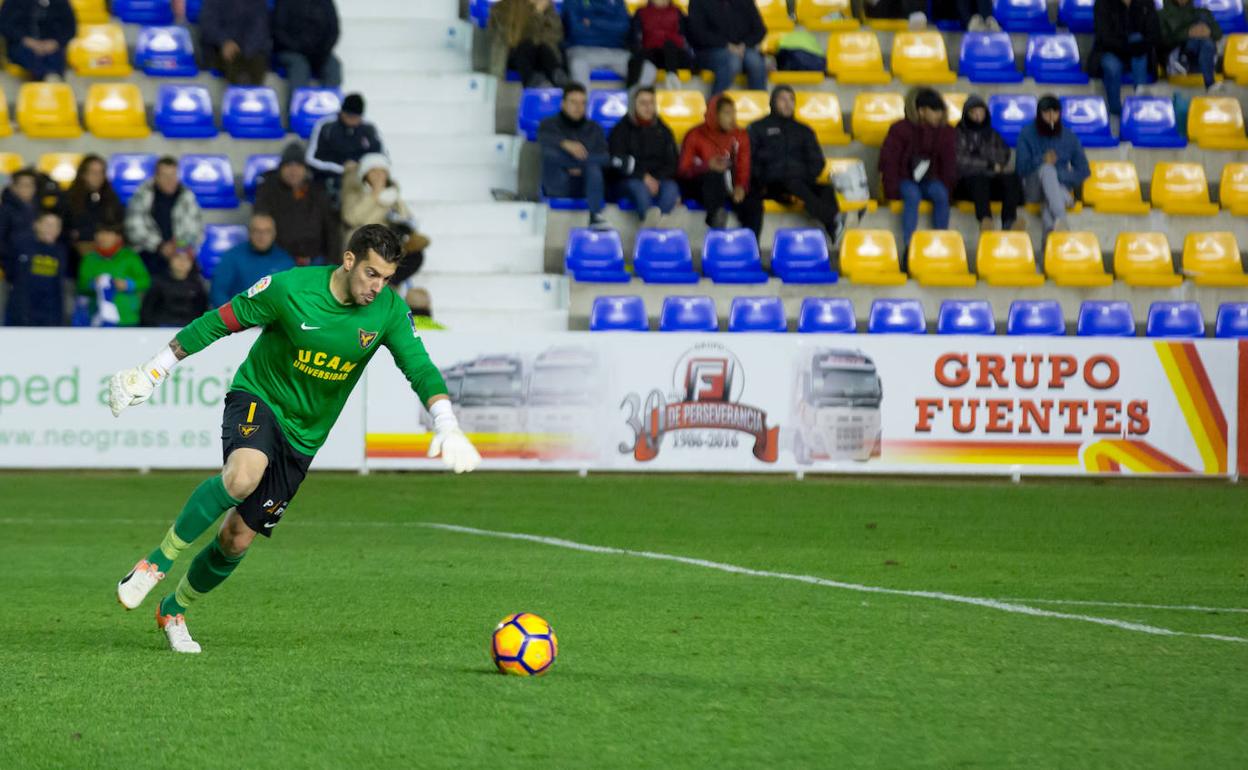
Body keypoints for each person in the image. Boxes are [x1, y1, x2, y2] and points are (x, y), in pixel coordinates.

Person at [110, 225, 481, 653]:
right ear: (349, 261)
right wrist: (154, 370)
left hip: (305, 436)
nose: (377, 287)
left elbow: (419, 366)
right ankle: (155, 564)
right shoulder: (290, 289)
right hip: (259, 397)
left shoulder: (389, 312)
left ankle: (174, 609)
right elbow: (219, 322)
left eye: (386, 278)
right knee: (243, 476)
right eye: (371, 274)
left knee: (236, 539)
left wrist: (447, 422)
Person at [740, 85, 844, 245]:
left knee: (826, 190)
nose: (788, 104)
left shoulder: (804, 130)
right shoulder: (758, 127)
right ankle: (833, 219)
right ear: (773, 102)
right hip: (769, 184)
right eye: (783, 99)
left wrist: (805, 175)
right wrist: (760, 178)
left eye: (791, 100)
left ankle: (833, 229)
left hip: (799, 182)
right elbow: (748, 159)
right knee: (791, 181)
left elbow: (818, 161)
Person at [879, 88, 956, 262]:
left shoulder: (946, 133)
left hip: (930, 180)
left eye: (940, 111)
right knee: (912, 195)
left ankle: (940, 243)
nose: (938, 115)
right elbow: (889, 161)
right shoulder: (900, 129)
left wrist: (949, 189)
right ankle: (909, 248)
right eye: (934, 111)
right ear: (921, 111)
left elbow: (948, 164)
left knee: (941, 193)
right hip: (904, 179)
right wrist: (891, 189)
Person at [1016, 94, 1090, 241]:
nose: (1051, 117)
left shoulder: (1069, 137)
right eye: (1046, 113)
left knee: (1049, 203)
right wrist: (1041, 160)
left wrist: (1058, 175)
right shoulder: (1027, 134)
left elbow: (1083, 170)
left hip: (1057, 189)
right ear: (1039, 114)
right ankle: (1062, 217)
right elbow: (1020, 168)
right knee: (1047, 170)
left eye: (1055, 113)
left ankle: (1048, 249)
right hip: (1033, 188)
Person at [539, 83, 613, 228]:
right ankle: (595, 216)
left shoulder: (594, 129)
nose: (578, 107)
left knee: (594, 168)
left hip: (587, 184)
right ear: (563, 104)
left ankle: (596, 217)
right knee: (591, 165)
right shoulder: (548, 125)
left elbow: (605, 158)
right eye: (573, 102)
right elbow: (549, 155)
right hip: (559, 184)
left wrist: (579, 164)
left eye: (582, 103)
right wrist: (564, 143)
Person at [341, 154, 429, 273]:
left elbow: (406, 218)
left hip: (388, 242)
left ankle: (388, 281)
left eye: (382, 172)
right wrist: (374, 195)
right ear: (365, 175)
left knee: (415, 256)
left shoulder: (392, 194)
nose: (378, 176)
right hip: (365, 241)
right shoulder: (355, 193)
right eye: (374, 172)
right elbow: (351, 218)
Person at [255, 142, 339, 266]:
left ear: (305, 170)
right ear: (280, 169)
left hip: (315, 259)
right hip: (280, 259)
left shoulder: (318, 191)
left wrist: (332, 261)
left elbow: (331, 229)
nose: (293, 170)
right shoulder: (267, 190)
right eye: (288, 165)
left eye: (298, 166)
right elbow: (261, 223)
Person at [608, 86, 680, 227]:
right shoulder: (621, 130)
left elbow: (672, 162)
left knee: (671, 189)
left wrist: (656, 179)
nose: (648, 107)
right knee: (640, 190)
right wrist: (643, 176)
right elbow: (616, 161)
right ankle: (650, 229)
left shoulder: (663, 130)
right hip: (629, 179)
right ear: (633, 105)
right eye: (643, 103)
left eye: (651, 103)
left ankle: (657, 227)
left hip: (658, 179)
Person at [677, 93, 750, 229]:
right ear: (715, 114)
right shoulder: (695, 135)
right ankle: (716, 218)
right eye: (727, 113)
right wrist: (707, 166)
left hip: (729, 185)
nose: (733, 118)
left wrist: (741, 186)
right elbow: (683, 170)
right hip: (699, 185)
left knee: (753, 202)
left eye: (734, 113)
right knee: (713, 177)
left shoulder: (740, 135)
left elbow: (744, 165)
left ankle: (752, 241)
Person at [125, 156, 203, 278]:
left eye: (173, 175)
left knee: (192, 274)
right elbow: (134, 229)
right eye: (164, 175)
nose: (169, 180)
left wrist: (179, 247)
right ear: (156, 177)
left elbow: (196, 230)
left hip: (180, 252)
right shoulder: (141, 194)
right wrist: (159, 246)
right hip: (149, 253)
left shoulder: (187, 196)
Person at [954, 95, 1024, 232]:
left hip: (991, 181)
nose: (978, 116)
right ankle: (986, 221)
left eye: (981, 112)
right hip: (967, 184)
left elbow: (1004, 154)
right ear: (966, 115)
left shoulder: (992, 133)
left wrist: (979, 155)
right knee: (979, 179)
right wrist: (988, 164)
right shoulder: (958, 133)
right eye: (973, 113)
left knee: (1012, 178)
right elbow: (961, 160)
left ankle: (1009, 222)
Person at [1089, 0, 1161, 117]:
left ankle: (1140, 103)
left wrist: (1138, 46)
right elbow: (1104, 37)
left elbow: (1154, 35)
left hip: (1136, 52)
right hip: (1109, 51)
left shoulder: (1146, 3)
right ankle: (1116, 110)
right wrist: (1129, 48)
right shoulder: (1102, 3)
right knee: (1113, 67)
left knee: (1137, 40)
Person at [305, 93, 387, 195]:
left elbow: (381, 158)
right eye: (349, 116)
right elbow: (311, 159)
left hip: (361, 180)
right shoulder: (326, 127)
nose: (352, 120)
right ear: (342, 112)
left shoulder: (369, 129)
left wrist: (360, 168)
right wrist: (342, 169)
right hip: (329, 178)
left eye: (356, 117)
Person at [209, 213, 294, 308]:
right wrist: (233, 315)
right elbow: (218, 292)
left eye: (267, 231)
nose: (262, 236)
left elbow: (291, 297)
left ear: (274, 233)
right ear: (249, 233)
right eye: (257, 231)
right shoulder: (231, 257)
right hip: (238, 314)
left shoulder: (286, 261)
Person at [76, 221, 150, 327]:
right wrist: (94, 283)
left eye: (108, 233)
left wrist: (127, 284)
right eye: (99, 233)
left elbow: (145, 281)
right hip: (98, 318)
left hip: (126, 317)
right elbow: (81, 286)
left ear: (118, 237)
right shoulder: (89, 259)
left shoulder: (129, 256)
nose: (103, 237)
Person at [686, 0, 766, 95]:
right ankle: (716, 102)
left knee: (755, 62)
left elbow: (760, 29)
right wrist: (726, 45)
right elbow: (697, 33)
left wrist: (744, 45)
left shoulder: (745, 2)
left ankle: (760, 102)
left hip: (743, 48)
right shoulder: (699, 2)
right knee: (732, 61)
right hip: (709, 50)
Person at [3, 210, 66, 326]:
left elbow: (59, 288)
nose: (52, 229)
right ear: (36, 225)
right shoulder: (20, 245)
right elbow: (10, 273)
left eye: (56, 226)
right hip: (21, 314)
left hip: (50, 316)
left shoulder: (60, 252)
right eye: (48, 224)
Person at [563, 0, 642, 88]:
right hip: (582, 50)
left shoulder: (617, 2)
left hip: (616, 52)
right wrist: (610, 26)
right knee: (577, 64)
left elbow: (623, 27)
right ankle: (581, 97)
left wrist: (592, 22)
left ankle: (637, 97)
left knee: (645, 69)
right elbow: (576, 30)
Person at [488, 0, 567, 87]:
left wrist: (541, 13)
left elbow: (556, 35)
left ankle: (557, 75)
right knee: (525, 45)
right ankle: (533, 80)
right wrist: (537, 13)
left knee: (544, 48)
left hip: (540, 52)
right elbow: (514, 37)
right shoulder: (501, 8)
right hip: (512, 53)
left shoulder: (546, 7)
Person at [272, 0, 342, 92]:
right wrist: (298, 47)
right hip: (291, 51)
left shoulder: (325, 2)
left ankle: (329, 99)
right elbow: (278, 31)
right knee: (299, 66)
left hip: (320, 52)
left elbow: (333, 31)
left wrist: (322, 49)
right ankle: (298, 100)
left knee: (333, 65)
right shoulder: (285, 2)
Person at [66, 154, 125, 263]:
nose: (97, 176)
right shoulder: (70, 199)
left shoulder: (111, 198)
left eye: (101, 172)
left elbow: (118, 225)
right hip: (76, 253)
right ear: (83, 174)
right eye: (93, 172)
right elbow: (68, 229)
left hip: (108, 252)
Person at [198, 0, 272, 86]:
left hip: (251, 50)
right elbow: (208, 25)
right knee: (233, 61)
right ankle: (238, 92)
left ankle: (249, 93)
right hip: (219, 50)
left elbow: (259, 29)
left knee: (256, 63)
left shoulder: (258, 2)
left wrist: (244, 50)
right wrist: (224, 42)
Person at [0, 0, 75, 81]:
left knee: (55, 56)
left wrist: (55, 42)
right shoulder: (13, 2)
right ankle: (45, 77)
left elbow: (69, 28)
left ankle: (53, 78)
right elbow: (5, 25)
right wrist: (26, 40)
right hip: (21, 45)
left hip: (51, 47)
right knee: (27, 55)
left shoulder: (60, 2)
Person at [140, 245, 210, 328]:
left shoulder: (198, 285)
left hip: (189, 328)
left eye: (187, 259)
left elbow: (202, 310)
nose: (182, 262)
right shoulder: (158, 282)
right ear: (170, 261)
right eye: (178, 258)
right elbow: (148, 309)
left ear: (192, 263)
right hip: (161, 328)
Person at [629, 0, 693, 89]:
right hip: (653, 53)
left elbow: (685, 35)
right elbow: (635, 37)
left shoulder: (677, 12)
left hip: (675, 54)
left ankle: (672, 76)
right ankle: (632, 90)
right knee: (638, 57)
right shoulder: (641, 12)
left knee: (669, 46)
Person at [1159, 0, 1221, 91]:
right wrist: (1188, 33)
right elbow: (1162, 41)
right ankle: (1184, 65)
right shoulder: (1162, 15)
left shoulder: (1201, 12)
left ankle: (1210, 83)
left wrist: (1209, 31)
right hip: (1177, 51)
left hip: (1199, 49)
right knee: (1197, 43)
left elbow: (1218, 34)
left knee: (1206, 42)